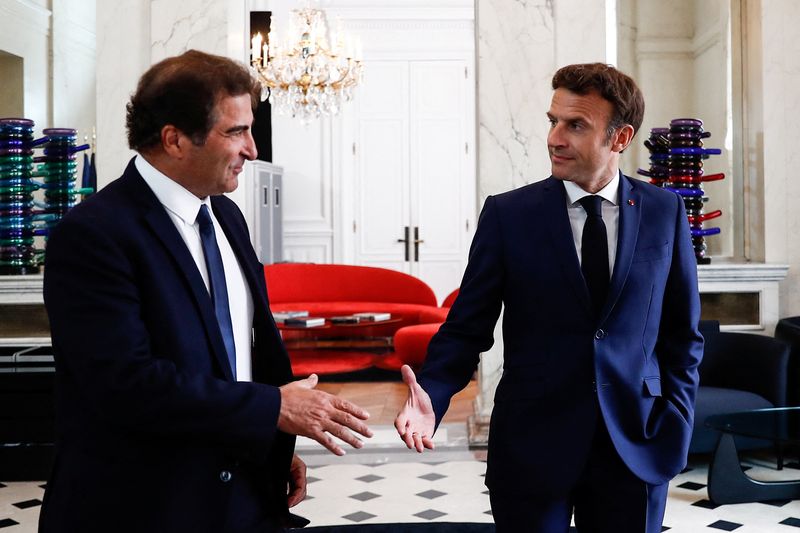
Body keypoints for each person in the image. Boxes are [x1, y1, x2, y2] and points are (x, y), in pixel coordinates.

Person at [39, 49, 373, 533]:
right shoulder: (93, 234)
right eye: (236, 131)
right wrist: (273, 410)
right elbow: (125, 385)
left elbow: (240, 356)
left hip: (242, 498)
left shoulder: (227, 216)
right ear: (174, 139)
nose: (253, 150)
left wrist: (267, 447)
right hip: (144, 509)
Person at [394, 63, 703, 532]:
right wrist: (433, 397)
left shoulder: (666, 212)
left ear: (620, 138)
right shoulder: (509, 215)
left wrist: (677, 419)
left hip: (637, 444)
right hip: (532, 446)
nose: (554, 137)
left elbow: (683, 334)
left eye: (575, 125)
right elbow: (466, 329)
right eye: (553, 120)